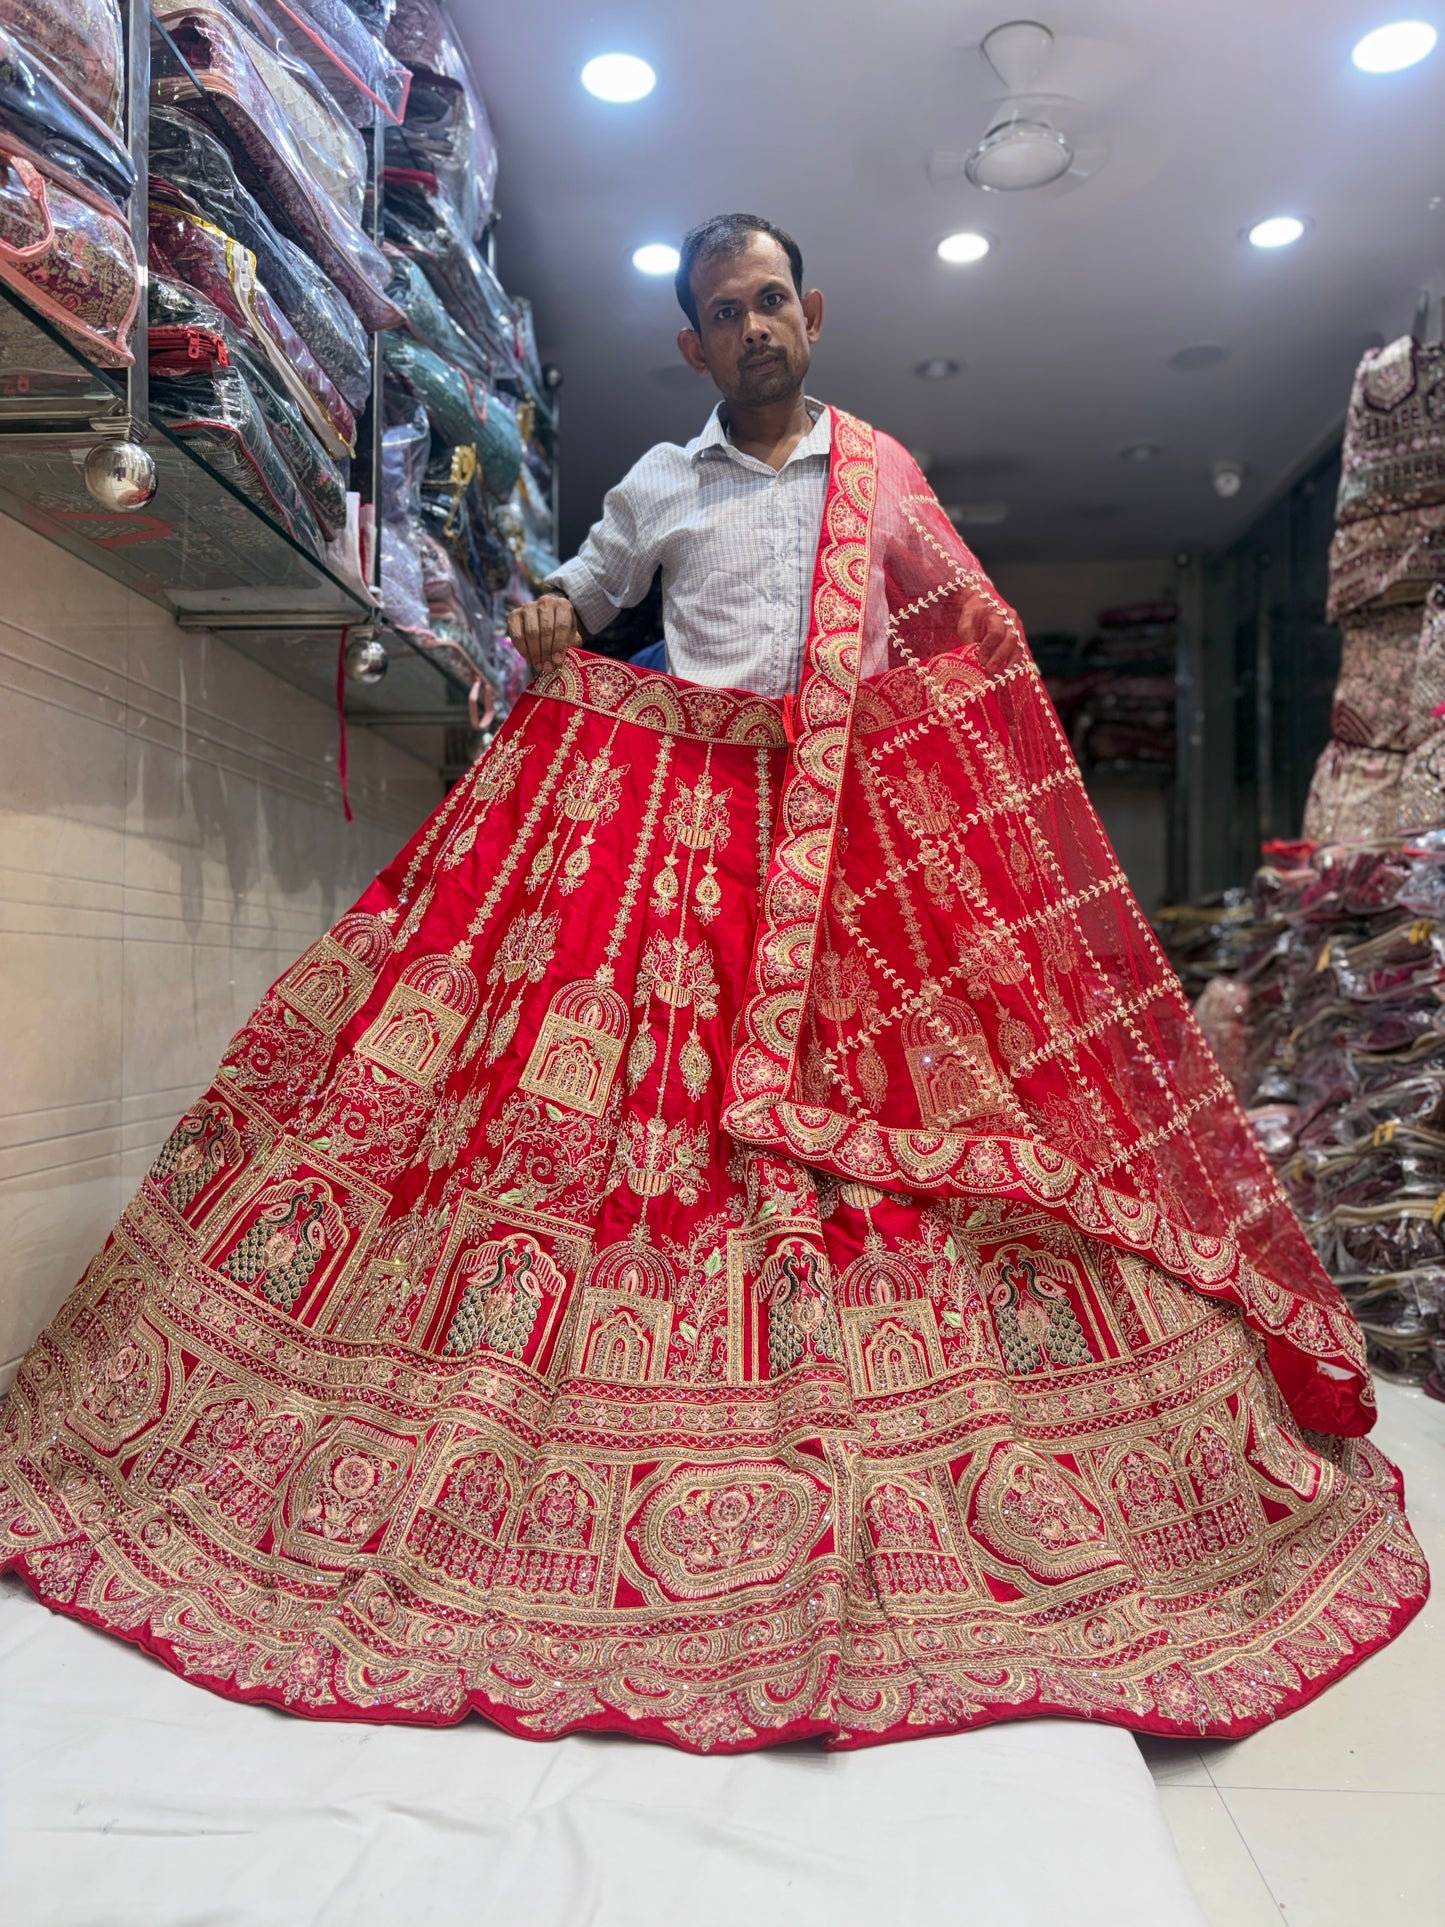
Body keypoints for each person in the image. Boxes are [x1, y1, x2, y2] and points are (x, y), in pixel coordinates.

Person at [0, 214, 1425, 1753]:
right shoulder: (661, 488)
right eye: (719, 315)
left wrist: (913, 766)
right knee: (630, 1143)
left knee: (914, 1137)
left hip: (853, 865)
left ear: (808, 312)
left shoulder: (880, 481)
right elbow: (574, 596)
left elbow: (974, 642)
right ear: (688, 346)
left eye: (768, 304)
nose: (750, 330)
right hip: (676, 859)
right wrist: (550, 613)